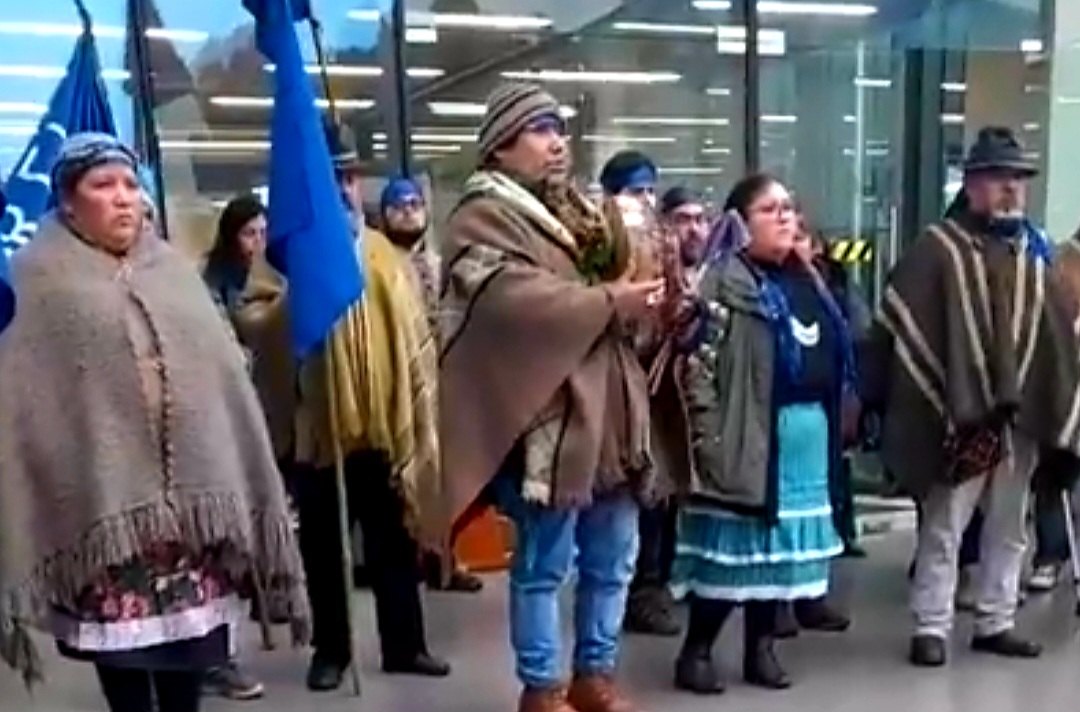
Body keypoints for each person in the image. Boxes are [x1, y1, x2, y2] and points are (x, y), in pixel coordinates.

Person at [0, 133, 309, 712]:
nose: (124, 197)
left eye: (130, 184)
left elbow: (223, 383)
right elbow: (25, 403)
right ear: (68, 201)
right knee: (126, 670)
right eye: (103, 185)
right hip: (107, 519)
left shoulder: (174, 274)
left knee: (189, 665)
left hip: (191, 525)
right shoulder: (35, 280)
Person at [438, 82, 661, 712]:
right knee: (543, 563)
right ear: (500, 145)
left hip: (612, 413)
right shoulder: (480, 216)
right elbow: (508, 298)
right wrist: (608, 301)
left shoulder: (582, 211)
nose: (557, 141)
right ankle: (541, 687)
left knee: (614, 556)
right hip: (548, 418)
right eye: (540, 129)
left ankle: (595, 676)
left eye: (559, 128)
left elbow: (620, 276)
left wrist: (647, 288)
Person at [870, 126, 1080, 668]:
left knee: (1011, 525)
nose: (1011, 188)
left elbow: (1051, 335)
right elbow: (902, 323)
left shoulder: (1033, 252)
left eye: (1018, 179)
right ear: (971, 185)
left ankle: (996, 620)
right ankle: (931, 625)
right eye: (998, 178)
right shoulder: (937, 249)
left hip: (1021, 418)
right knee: (946, 523)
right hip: (959, 414)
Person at [670, 174, 848, 695]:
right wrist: (708, 438)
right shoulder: (722, 282)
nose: (785, 217)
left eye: (789, 207)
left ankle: (761, 650)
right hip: (743, 435)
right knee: (735, 554)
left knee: (779, 560)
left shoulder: (806, 277)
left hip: (802, 439)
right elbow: (696, 367)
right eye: (770, 210)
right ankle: (697, 651)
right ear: (740, 223)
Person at [294, 122, 449, 692]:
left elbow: (413, 330)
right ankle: (331, 652)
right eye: (329, 178)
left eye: (348, 177)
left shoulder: (385, 252)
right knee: (324, 551)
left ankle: (406, 645)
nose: (341, 189)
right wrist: (302, 297)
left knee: (394, 543)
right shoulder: (289, 254)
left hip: (384, 427)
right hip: (320, 432)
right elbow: (258, 318)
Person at [200, 195, 292, 701]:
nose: (257, 242)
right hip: (223, 420)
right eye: (248, 233)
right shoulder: (210, 283)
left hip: (270, 414)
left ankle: (269, 599)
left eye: (263, 232)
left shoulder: (276, 276)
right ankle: (219, 655)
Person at [377, 175, 484, 594]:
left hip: (445, 384)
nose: (408, 213)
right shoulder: (378, 267)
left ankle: (444, 559)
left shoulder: (442, 267)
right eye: (398, 206)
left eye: (414, 205)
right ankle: (411, 560)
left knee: (447, 479)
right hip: (399, 386)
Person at [622, 186, 709, 638]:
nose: (693, 229)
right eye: (682, 220)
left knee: (676, 503)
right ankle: (644, 592)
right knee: (652, 504)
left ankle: (673, 580)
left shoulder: (712, 277)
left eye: (700, 219)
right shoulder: (649, 277)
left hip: (695, 408)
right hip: (654, 407)